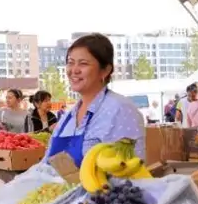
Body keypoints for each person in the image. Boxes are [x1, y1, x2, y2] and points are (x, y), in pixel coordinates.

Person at [46, 33, 145, 166]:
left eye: (83, 63)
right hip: (57, 187)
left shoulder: (121, 110)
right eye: (70, 63)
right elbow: (45, 166)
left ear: (105, 70)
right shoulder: (67, 118)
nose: (74, 70)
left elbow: (129, 169)